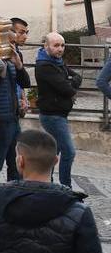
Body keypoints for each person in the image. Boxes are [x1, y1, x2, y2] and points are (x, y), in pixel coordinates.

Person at [34, 32, 81, 187]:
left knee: (55, 151)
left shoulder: (57, 62)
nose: (60, 49)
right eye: (56, 45)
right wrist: (71, 89)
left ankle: (47, 182)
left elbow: (76, 77)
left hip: (59, 114)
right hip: (52, 115)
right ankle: (65, 186)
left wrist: (71, 86)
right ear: (46, 46)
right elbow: (65, 89)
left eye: (62, 45)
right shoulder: (45, 66)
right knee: (69, 151)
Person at [0, 23, 31, 183]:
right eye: (11, 42)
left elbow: (25, 82)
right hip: (0, 118)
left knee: (16, 163)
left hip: (13, 117)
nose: (13, 46)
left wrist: (19, 65)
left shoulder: (14, 56)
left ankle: (15, 193)